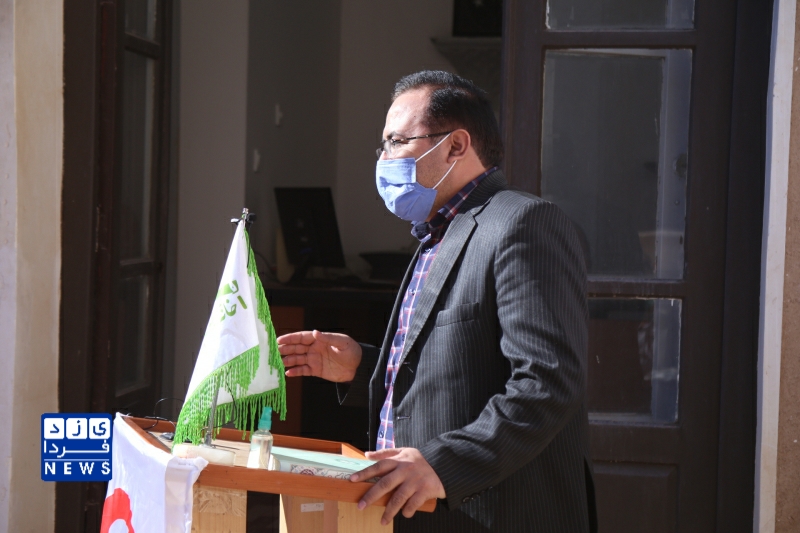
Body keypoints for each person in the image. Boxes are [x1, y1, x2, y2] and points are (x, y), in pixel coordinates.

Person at [278, 70, 597, 532]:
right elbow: (459, 371)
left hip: (494, 514)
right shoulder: (437, 233)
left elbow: (547, 381)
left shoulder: (523, 224)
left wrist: (443, 465)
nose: (384, 159)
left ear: (455, 146)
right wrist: (365, 367)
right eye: (383, 146)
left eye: (396, 141)